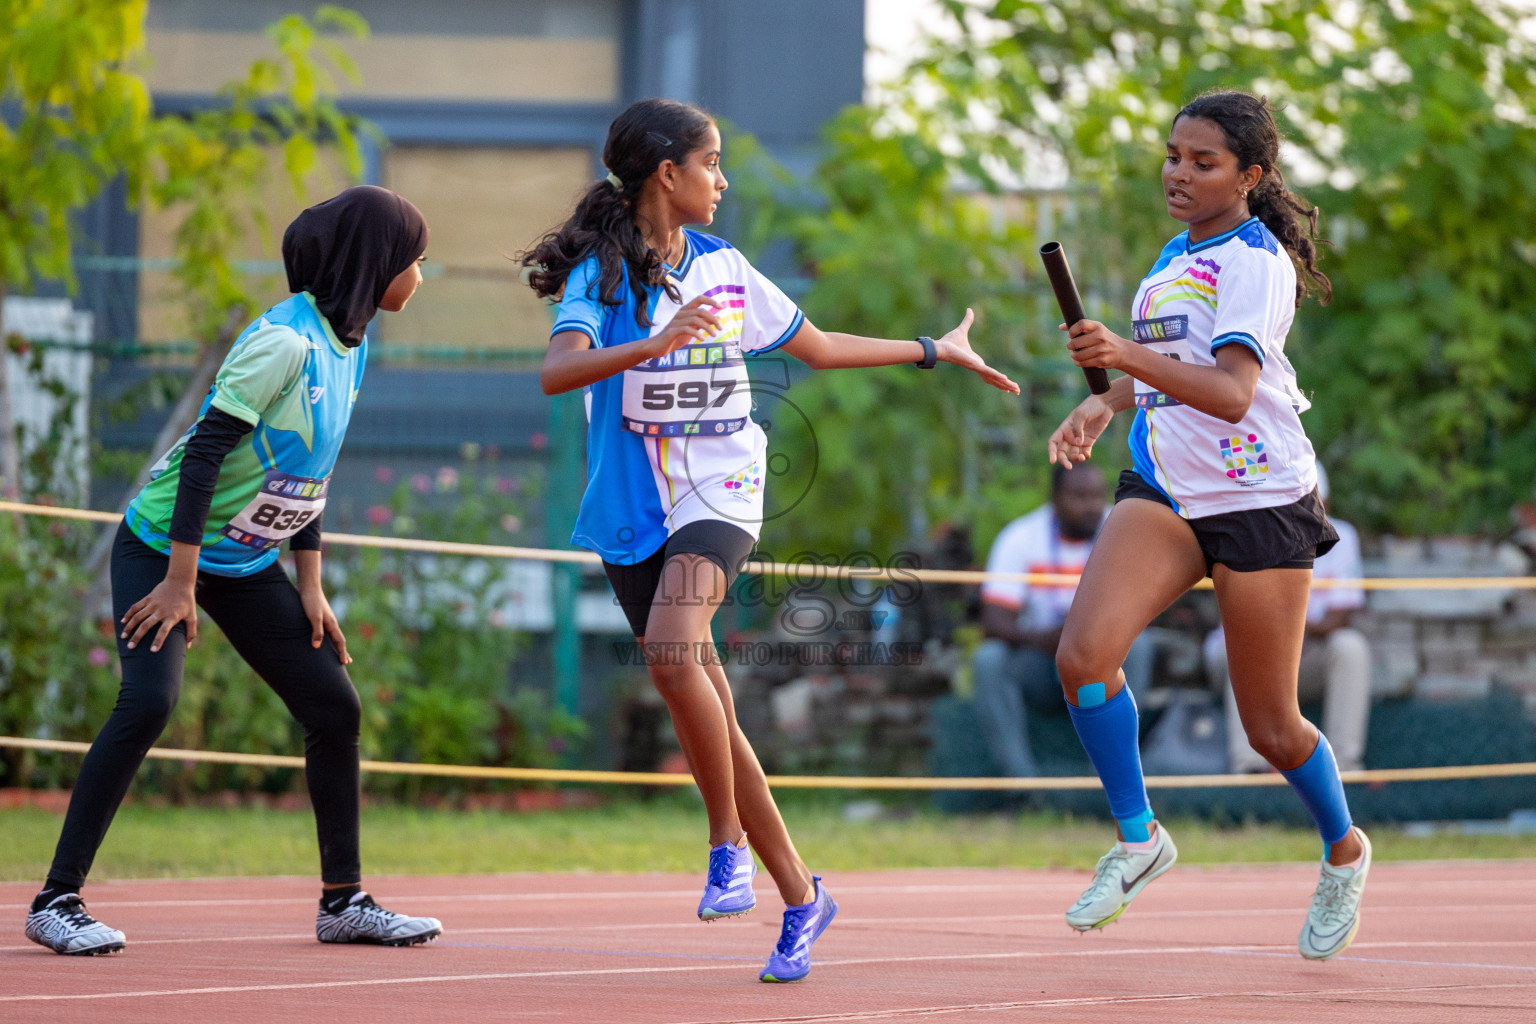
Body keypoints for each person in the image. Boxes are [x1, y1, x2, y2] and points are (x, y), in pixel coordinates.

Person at [522, 98, 1017, 982]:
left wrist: (932, 350)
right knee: (702, 698)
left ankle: (724, 848)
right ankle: (801, 894)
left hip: (721, 491)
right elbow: (559, 372)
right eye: (712, 162)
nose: (724, 179)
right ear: (667, 173)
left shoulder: (727, 271)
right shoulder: (599, 277)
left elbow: (818, 348)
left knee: (674, 651)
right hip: (633, 505)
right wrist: (654, 344)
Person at [25, 186, 443, 956]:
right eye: (416, 258)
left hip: (245, 561)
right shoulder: (283, 343)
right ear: (375, 263)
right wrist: (180, 581)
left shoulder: (348, 343)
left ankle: (343, 901)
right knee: (149, 701)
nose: (422, 271)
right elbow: (205, 455)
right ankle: (56, 901)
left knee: (334, 707)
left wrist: (311, 584)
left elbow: (304, 472)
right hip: (162, 546)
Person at [1045, 91, 1371, 960]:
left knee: (1269, 727)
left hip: (1260, 497)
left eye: (1203, 162)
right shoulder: (1174, 251)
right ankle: (1139, 838)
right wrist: (1108, 403)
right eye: (1173, 156)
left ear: (1250, 177)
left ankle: (1343, 849)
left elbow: (1230, 395)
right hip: (1169, 487)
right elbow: (1171, 368)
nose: (1178, 174)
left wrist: (1120, 355)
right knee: (1082, 656)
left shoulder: (1254, 263)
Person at [972, 462, 1155, 780]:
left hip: (1100, 660)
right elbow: (994, 622)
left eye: (1097, 496)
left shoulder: (1121, 531)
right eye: (1079, 496)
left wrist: (1086, 636)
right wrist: (1049, 638)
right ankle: (1022, 784)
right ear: (1055, 498)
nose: (1092, 506)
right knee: (988, 660)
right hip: (1041, 658)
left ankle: (1107, 780)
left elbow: (1142, 608)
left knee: (1139, 646)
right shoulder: (1021, 537)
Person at [1206, 465, 1371, 772]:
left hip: (1302, 656)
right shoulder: (1252, 531)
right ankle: (1251, 768)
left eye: (1311, 499)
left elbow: (1338, 619)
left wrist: (1286, 622)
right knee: (1245, 643)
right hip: (1245, 658)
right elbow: (1244, 618)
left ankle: (1344, 766)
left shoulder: (1342, 537)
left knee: (1350, 646)